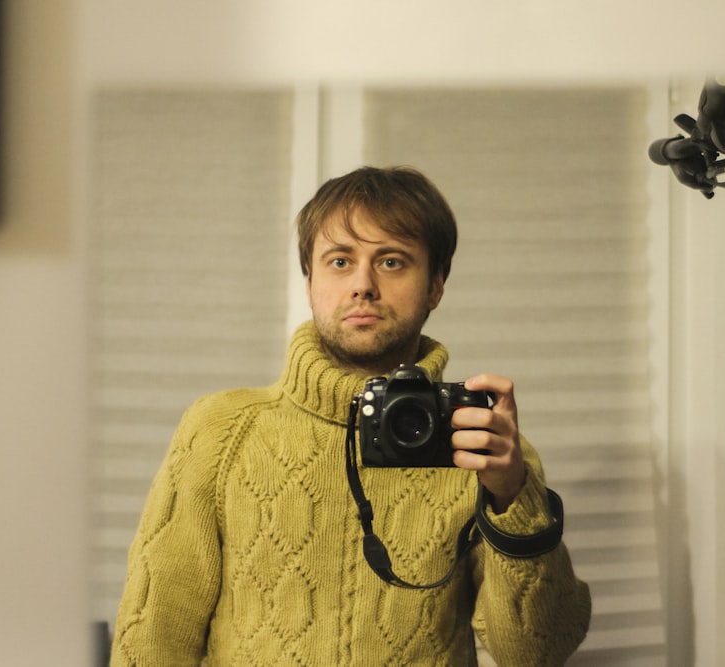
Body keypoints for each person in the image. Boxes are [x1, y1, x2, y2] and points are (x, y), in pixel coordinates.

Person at [110, 166, 591, 665]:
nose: (363, 284)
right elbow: (152, 640)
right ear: (310, 281)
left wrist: (515, 497)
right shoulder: (220, 432)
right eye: (340, 261)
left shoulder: (481, 445)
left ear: (435, 287)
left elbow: (536, 652)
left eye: (391, 262)